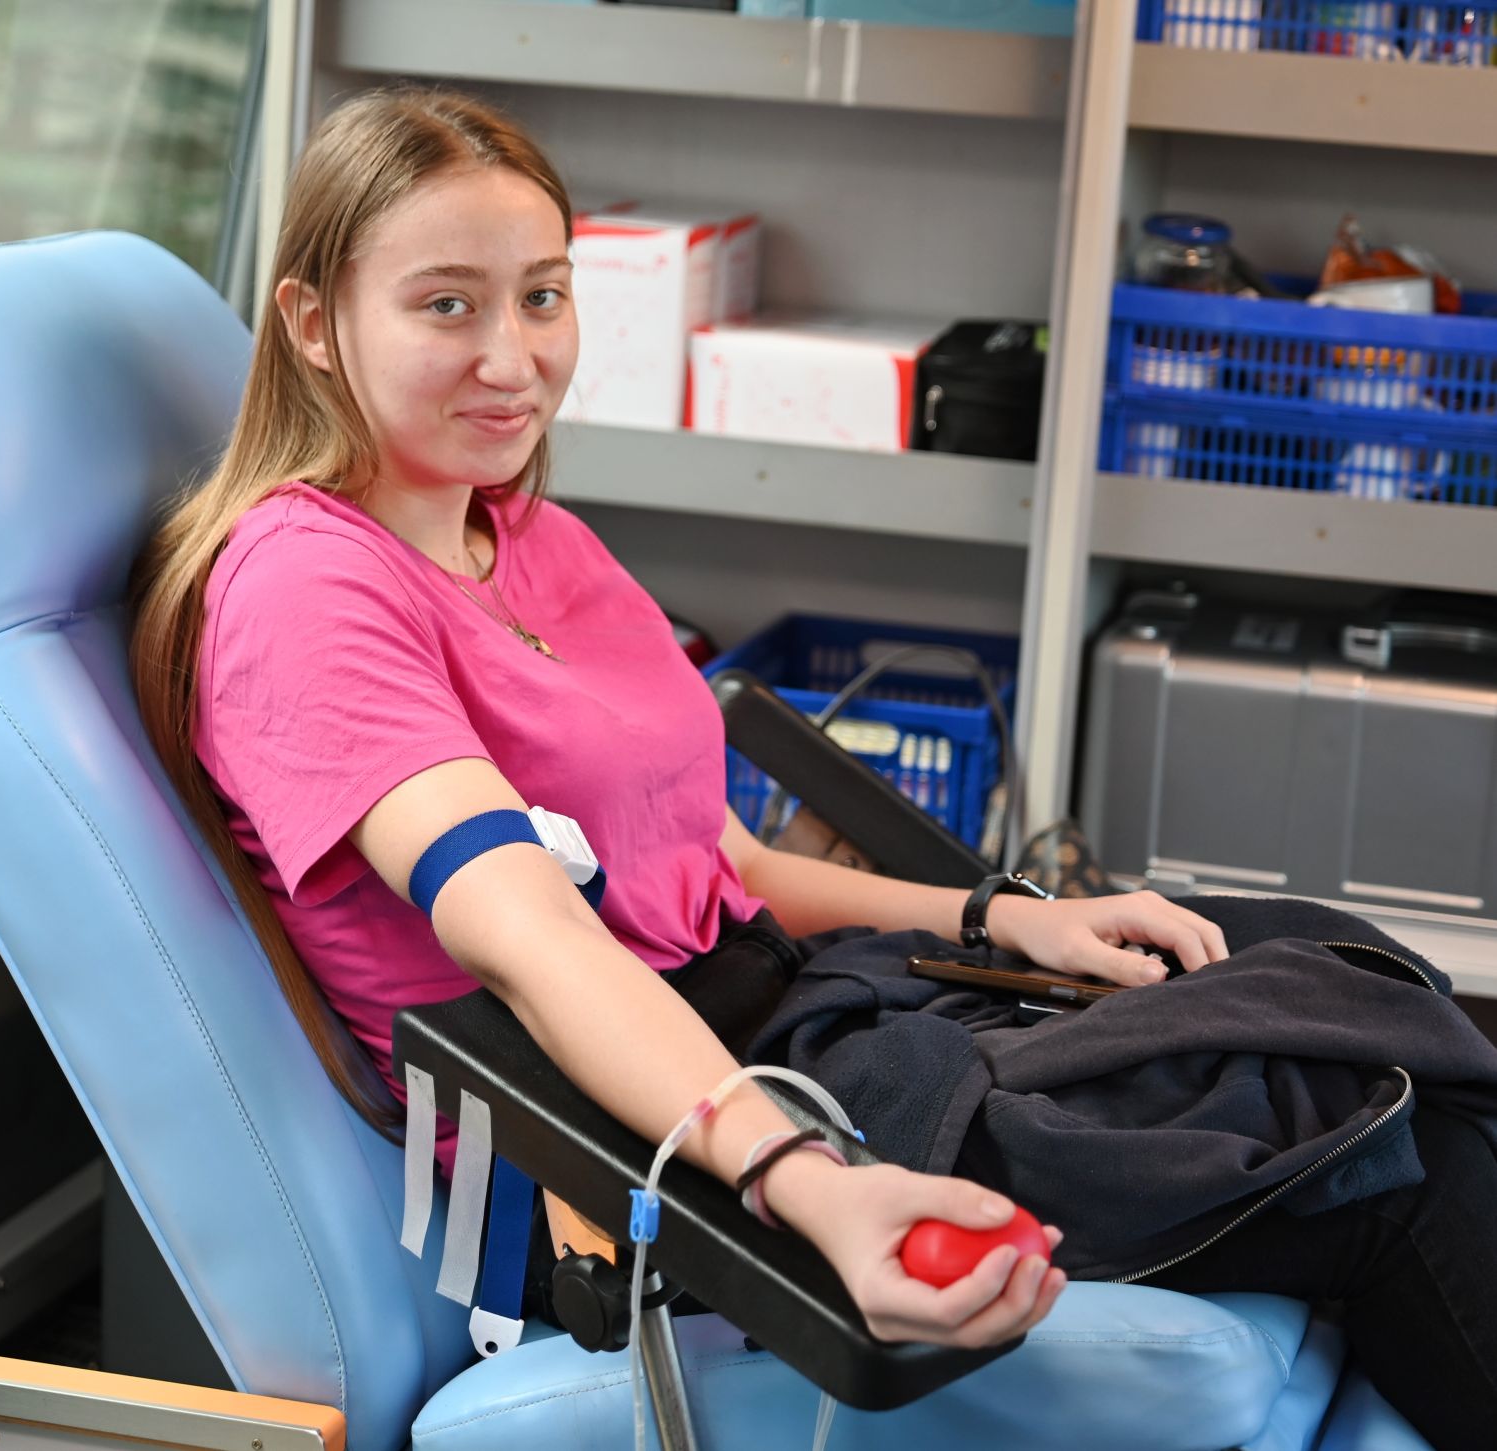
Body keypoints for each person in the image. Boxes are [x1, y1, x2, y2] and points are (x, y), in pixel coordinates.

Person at [130, 87, 1496, 1446]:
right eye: (447, 306)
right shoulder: (304, 590)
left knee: (1347, 991)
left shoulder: (521, 533)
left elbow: (715, 860)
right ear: (314, 323)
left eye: (542, 296)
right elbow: (533, 940)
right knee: (1374, 1146)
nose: (513, 358)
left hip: (798, 1022)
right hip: (627, 1157)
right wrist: (804, 1178)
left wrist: (1007, 917)